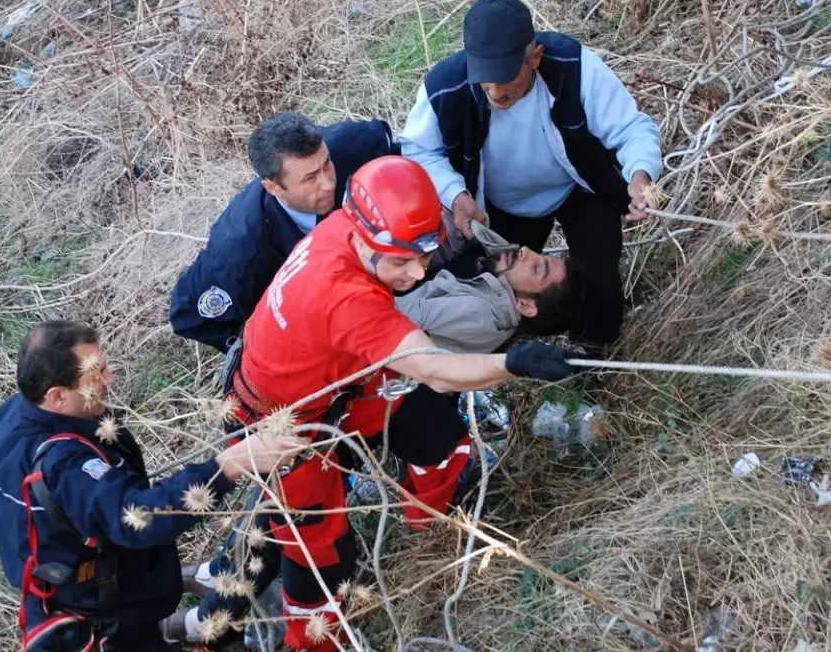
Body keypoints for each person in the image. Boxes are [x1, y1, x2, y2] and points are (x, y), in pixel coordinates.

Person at [206, 155, 575, 651]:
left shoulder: (347, 222)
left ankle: (427, 522)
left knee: (437, 435)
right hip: (284, 425)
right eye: (402, 260)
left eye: (424, 254)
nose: (418, 271)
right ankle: (289, 637)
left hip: (337, 388)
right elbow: (436, 372)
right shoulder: (346, 300)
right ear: (367, 240)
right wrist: (513, 364)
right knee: (324, 560)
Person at [0, 321, 300, 651]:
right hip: (101, 606)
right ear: (57, 396)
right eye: (97, 374)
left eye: (104, 366)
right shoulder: (66, 466)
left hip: (65, 579)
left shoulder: (13, 414)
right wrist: (232, 464)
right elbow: (140, 519)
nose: (110, 379)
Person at [400, 0, 664, 346]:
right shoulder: (445, 87)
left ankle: (594, 350)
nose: (494, 92)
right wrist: (456, 194)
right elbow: (418, 151)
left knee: (599, 278)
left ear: (535, 57)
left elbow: (632, 129)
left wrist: (640, 175)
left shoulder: (574, 67)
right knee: (503, 294)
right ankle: (516, 359)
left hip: (580, 187)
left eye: (506, 77)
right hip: (497, 205)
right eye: (484, 79)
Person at [171, 112, 394, 353]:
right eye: (310, 178)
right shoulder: (242, 253)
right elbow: (190, 318)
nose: (329, 183)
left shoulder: (357, 145)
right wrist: (273, 344)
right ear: (273, 187)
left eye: (326, 164)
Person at [396, 224, 585, 354]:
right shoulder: (500, 282)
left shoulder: (477, 313)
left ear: (526, 306)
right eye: (539, 256)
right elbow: (476, 228)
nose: (525, 251)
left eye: (536, 269)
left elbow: (388, 315)